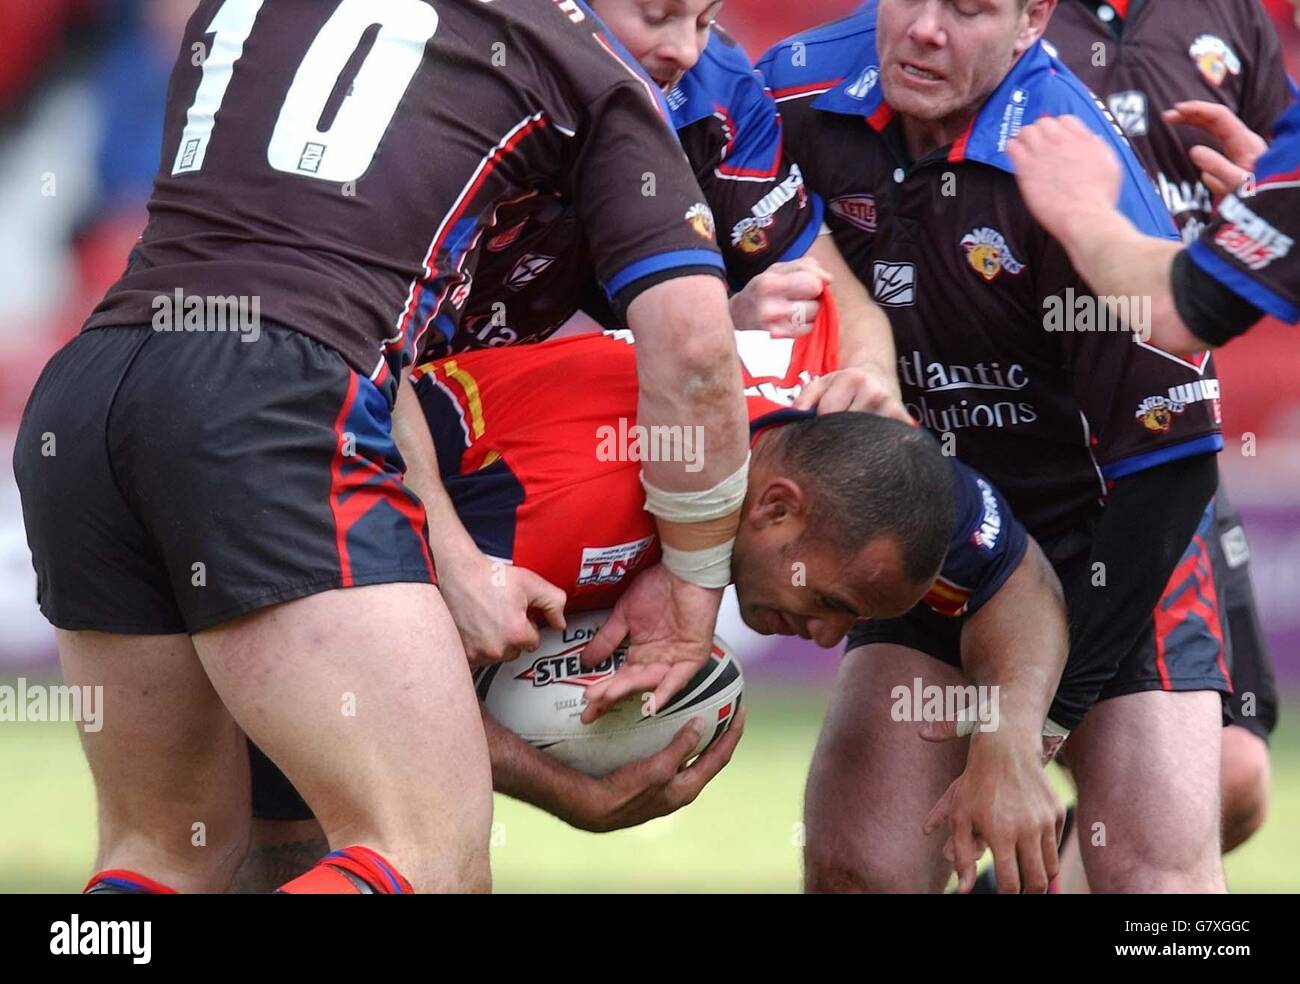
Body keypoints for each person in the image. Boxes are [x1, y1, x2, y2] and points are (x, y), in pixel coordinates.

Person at [12, 0, 755, 894]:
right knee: (425, 854)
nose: (685, 46)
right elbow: (700, 351)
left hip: (93, 386)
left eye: (707, 19)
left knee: (165, 854)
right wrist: (692, 576)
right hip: (278, 395)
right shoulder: (585, 61)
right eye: (662, 11)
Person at [235, 293, 1071, 893]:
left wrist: (1006, 743)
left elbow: (1021, 579)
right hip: (274, 521)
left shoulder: (855, 452)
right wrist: (574, 795)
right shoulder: (554, 499)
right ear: (777, 508)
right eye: (836, 606)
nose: (824, 640)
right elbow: (382, 697)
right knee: (413, 861)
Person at [761, 0, 1229, 892]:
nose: (925, 29)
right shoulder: (792, 86)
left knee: (1152, 882)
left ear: (1031, 19)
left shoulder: (1068, 167)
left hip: (1105, 538)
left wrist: (1031, 732)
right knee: (861, 866)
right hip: (924, 526)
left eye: (969, 8)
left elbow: (1173, 467)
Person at [1024, 0, 1291, 888]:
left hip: (1167, 438)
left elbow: (1176, 310)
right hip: (1020, 440)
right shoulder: (967, 28)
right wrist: (1272, 202)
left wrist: (1079, 211)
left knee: (1232, 775)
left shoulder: (1234, 19)